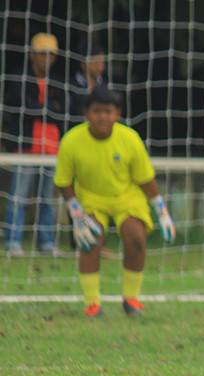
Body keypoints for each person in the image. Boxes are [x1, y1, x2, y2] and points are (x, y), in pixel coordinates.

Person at [54, 86, 177, 317]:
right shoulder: (72, 141)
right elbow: (63, 181)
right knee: (90, 241)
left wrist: (161, 210)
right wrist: (76, 213)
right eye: (97, 111)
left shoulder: (129, 139)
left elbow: (145, 178)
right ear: (87, 113)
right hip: (90, 197)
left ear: (118, 114)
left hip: (126, 196)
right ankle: (93, 304)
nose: (103, 116)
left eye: (108, 111)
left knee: (137, 238)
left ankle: (131, 300)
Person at [3, 32, 70, 257]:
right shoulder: (19, 78)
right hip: (26, 147)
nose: (46, 59)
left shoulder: (58, 82)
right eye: (42, 54)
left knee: (47, 199)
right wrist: (48, 108)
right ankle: (13, 242)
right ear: (32, 55)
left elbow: (62, 111)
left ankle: (46, 243)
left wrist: (42, 108)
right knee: (18, 197)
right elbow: (24, 107)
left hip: (52, 148)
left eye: (50, 55)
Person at [70, 42, 108, 120]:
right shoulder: (71, 86)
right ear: (83, 63)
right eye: (97, 63)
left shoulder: (106, 86)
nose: (101, 67)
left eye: (102, 63)